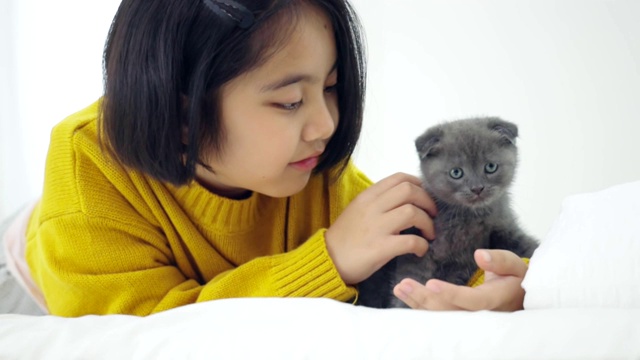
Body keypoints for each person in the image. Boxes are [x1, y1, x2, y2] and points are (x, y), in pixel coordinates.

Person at [0, 0, 529, 317]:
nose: (326, 125)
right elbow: (145, 327)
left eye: (332, 88)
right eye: (290, 102)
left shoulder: (315, 169)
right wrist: (326, 262)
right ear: (183, 116)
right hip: (38, 280)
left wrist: (490, 285)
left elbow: (421, 263)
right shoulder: (87, 163)